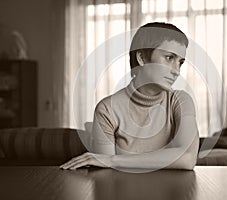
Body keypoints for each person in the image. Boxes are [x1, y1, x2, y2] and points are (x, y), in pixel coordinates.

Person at [60, 22, 199, 171]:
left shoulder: (181, 101)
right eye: (169, 58)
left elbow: (187, 159)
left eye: (180, 62)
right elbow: (104, 172)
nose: (177, 71)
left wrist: (113, 160)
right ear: (142, 58)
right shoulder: (107, 109)